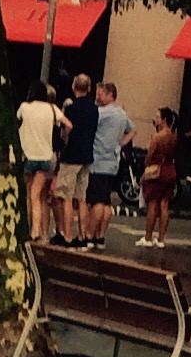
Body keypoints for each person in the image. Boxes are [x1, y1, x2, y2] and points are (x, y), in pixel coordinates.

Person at [87, 80, 133, 247]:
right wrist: (120, 144)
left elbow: (89, 127)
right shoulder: (122, 114)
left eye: (102, 94)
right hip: (113, 163)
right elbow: (132, 130)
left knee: (97, 201)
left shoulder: (102, 113)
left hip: (99, 160)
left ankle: (90, 235)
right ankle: (100, 236)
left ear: (109, 95)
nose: (99, 97)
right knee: (106, 202)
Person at [52, 74, 97, 245]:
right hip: (87, 155)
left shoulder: (71, 108)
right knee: (82, 197)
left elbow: (66, 130)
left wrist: (64, 137)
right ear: (89, 88)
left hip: (71, 155)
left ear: (73, 87)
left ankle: (67, 236)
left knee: (66, 197)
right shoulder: (94, 109)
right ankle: (82, 236)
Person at [15, 78, 60, 243]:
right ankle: (41, 232)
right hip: (46, 157)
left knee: (30, 194)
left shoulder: (25, 107)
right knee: (39, 196)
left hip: (29, 156)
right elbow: (68, 125)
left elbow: (17, 119)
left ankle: (32, 230)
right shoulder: (51, 109)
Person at [139, 106, 181, 248]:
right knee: (165, 204)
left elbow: (149, 155)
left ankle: (148, 237)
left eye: (157, 117)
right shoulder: (174, 136)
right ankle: (161, 238)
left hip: (157, 170)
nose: (155, 119)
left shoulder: (157, 137)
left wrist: (146, 168)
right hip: (170, 169)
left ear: (164, 119)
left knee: (152, 203)